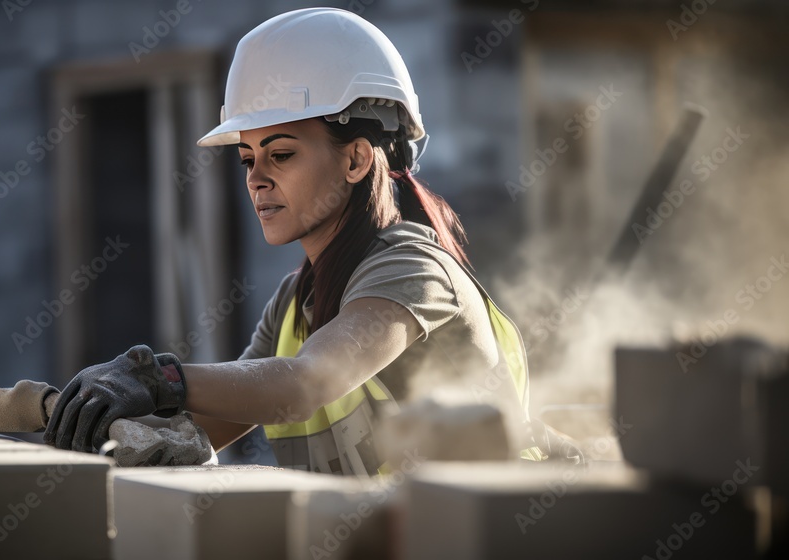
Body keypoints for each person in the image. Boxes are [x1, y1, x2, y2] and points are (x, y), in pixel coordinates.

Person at [44, 7, 543, 475]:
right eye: (246, 159)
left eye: (280, 154)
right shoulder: (292, 306)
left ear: (356, 160)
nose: (255, 179)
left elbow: (307, 383)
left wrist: (157, 378)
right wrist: (77, 415)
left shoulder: (414, 269)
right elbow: (199, 432)